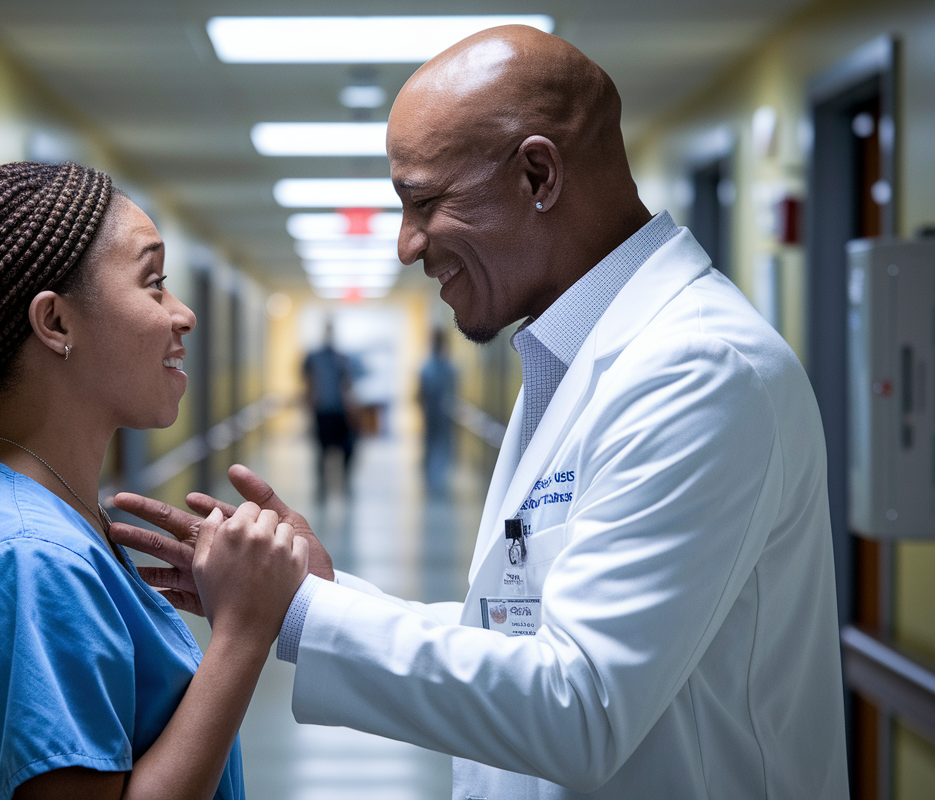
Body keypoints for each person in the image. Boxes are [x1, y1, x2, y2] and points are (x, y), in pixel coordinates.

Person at [113, 26, 849, 800]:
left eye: (424, 201)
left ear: (538, 174)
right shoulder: (574, 356)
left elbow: (583, 705)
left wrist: (295, 614)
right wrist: (323, 596)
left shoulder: (698, 371)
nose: (405, 245)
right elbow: (519, 634)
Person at [0, 162, 307, 800]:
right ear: (55, 324)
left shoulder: (43, 516)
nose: (184, 314)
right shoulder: (24, 558)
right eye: (155, 284)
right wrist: (244, 631)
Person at [302, 320, 356, 499]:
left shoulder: (341, 358)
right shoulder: (313, 357)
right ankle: (322, 486)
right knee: (322, 450)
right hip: (322, 411)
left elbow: (347, 385)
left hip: (339, 411)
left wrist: (350, 409)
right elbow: (309, 382)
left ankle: (344, 481)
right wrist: (309, 408)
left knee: (346, 448)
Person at [418, 328, 458, 491]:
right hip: (431, 413)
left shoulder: (449, 368)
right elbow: (421, 393)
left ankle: (438, 476)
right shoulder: (428, 367)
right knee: (431, 444)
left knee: (442, 444)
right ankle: (430, 476)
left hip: (443, 414)